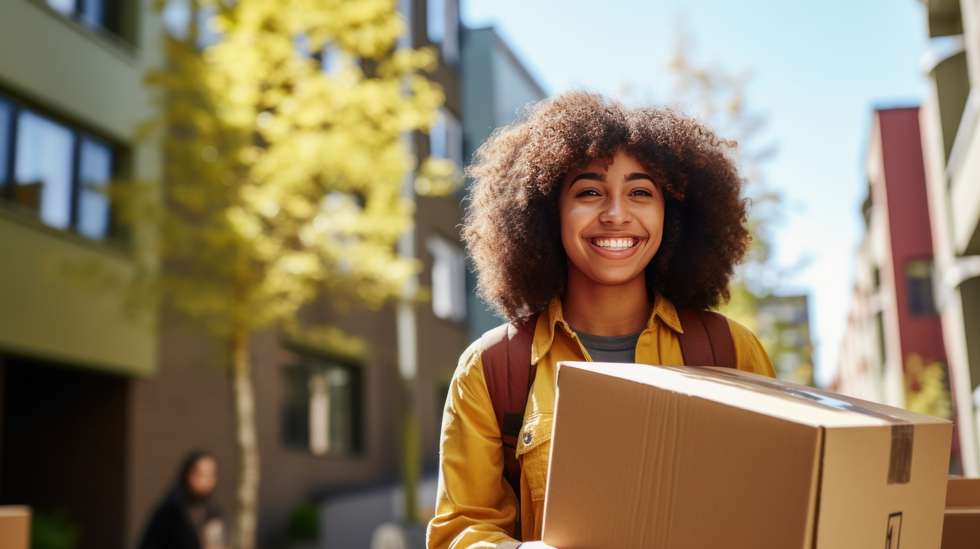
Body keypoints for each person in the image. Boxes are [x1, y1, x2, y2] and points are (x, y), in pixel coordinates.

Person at [426, 91, 776, 549]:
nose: (615, 214)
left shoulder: (731, 351)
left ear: (673, 216)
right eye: (589, 191)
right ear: (548, 212)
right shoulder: (493, 369)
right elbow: (459, 528)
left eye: (640, 192)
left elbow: (779, 502)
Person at [139, 449, 226, 549]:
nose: (206, 481)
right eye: (201, 475)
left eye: (210, 475)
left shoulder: (213, 513)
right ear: (188, 475)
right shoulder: (170, 513)